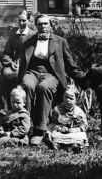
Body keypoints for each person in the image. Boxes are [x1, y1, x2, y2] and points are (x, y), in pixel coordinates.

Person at [18, 13, 85, 146]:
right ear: (35, 26)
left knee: (44, 88)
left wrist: (81, 77)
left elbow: (70, 63)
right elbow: (22, 64)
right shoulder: (29, 42)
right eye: (39, 24)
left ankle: (39, 130)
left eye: (45, 24)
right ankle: (27, 126)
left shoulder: (60, 41)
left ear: (50, 25)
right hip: (33, 72)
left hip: (51, 74)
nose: (43, 27)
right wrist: (18, 82)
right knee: (27, 85)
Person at [0, 10, 36, 114]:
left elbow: (36, 53)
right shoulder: (13, 35)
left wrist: (24, 65)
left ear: (28, 21)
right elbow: (6, 52)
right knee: (5, 75)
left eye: (24, 20)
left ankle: (24, 107)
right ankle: (4, 106)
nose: (21, 23)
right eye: (19, 20)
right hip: (15, 62)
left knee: (22, 77)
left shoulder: (33, 35)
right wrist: (11, 62)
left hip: (29, 64)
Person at [44, 83, 88, 153]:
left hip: (73, 132)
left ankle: (75, 146)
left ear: (76, 100)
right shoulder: (57, 109)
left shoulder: (78, 112)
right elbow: (52, 122)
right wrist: (58, 127)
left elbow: (84, 126)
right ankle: (55, 145)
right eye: (66, 97)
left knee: (79, 136)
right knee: (52, 133)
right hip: (60, 132)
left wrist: (72, 130)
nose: (68, 100)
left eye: (71, 98)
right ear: (63, 97)